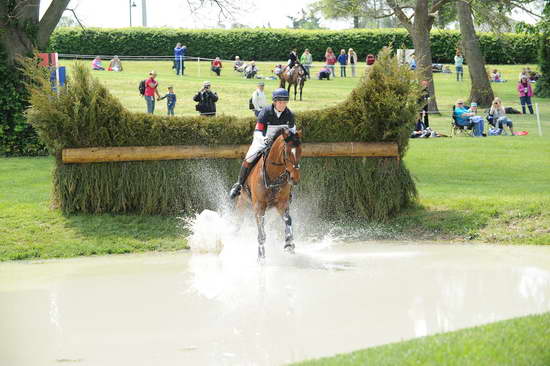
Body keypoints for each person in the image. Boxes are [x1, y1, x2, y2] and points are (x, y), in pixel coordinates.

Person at [229, 88, 296, 199]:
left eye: (285, 102)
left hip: (280, 145)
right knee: (249, 158)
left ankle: (289, 192)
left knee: (292, 161)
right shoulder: (265, 112)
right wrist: (264, 140)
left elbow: (293, 131)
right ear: (274, 102)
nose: (282, 105)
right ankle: (239, 185)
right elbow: (258, 131)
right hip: (262, 140)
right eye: (280, 102)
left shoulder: (289, 114)